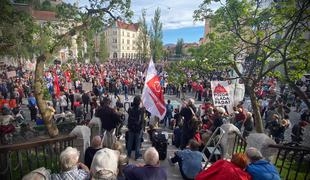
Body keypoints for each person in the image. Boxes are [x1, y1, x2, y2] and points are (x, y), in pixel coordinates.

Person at [127, 95, 144, 160]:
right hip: (138, 128)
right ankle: (137, 156)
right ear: (139, 102)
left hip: (131, 127)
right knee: (137, 143)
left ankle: (128, 154)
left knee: (130, 142)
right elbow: (142, 120)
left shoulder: (130, 109)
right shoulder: (141, 110)